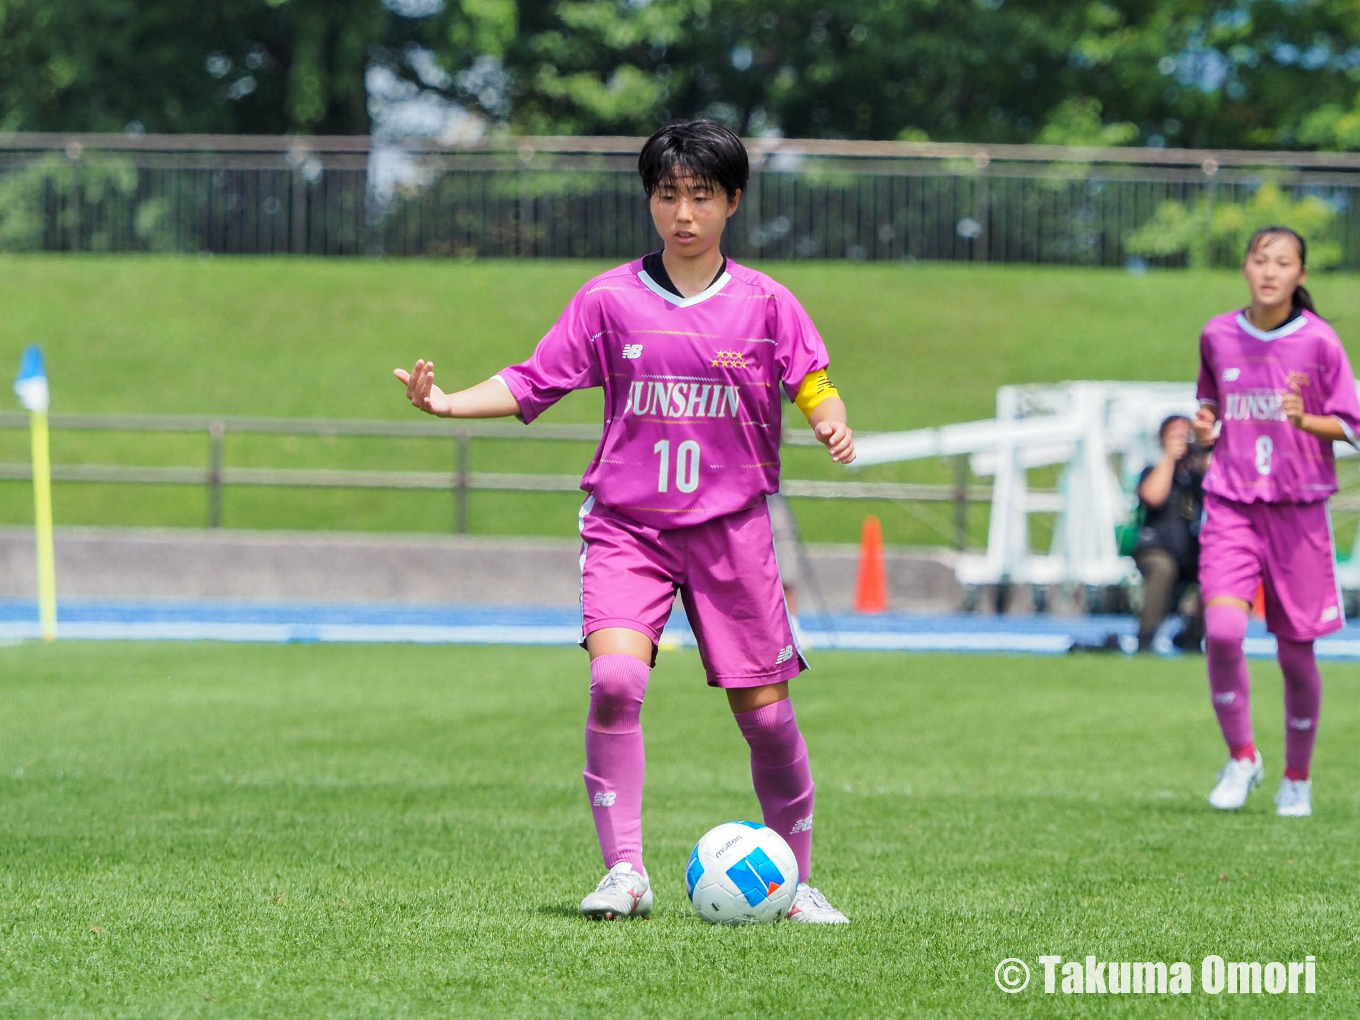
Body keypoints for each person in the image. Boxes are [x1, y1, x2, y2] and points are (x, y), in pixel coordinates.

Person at [393, 120, 855, 921]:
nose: (683, 212)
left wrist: (830, 418)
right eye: (668, 194)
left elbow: (811, 377)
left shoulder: (767, 303)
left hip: (731, 533)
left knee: (771, 723)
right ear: (650, 200)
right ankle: (625, 875)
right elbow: (534, 380)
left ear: (732, 202)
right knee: (615, 682)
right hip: (627, 529)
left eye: (701, 196)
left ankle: (797, 884)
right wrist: (446, 402)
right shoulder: (608, 299)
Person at [1192, 225, 1360, 817]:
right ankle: (1243, 757)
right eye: (1260, 260)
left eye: (1282, 262)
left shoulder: (1319, 343)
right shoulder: (1216, 334)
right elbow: (1210, 401)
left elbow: (1354, 424)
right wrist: (1207, 425)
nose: (1269, 271)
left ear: (1300, 276)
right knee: (1224, 634)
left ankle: (1297, 777)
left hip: (1300, 514)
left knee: (1295, 655)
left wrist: (1308, 421)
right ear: (1245, 267)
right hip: (1232, 507)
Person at [1132, 414, 1207, 653]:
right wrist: (1169, 459)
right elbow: (1153, 497)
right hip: (1156, 548)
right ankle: (1146, 638)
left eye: (1186, 436)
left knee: (1219, 570)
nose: (1182, 441)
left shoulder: (1196, 477)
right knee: (1163, 568)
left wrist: (1202, 457)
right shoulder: (1152, 471)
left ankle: (1193, 634)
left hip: (1190, 551)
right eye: (1175, 436)